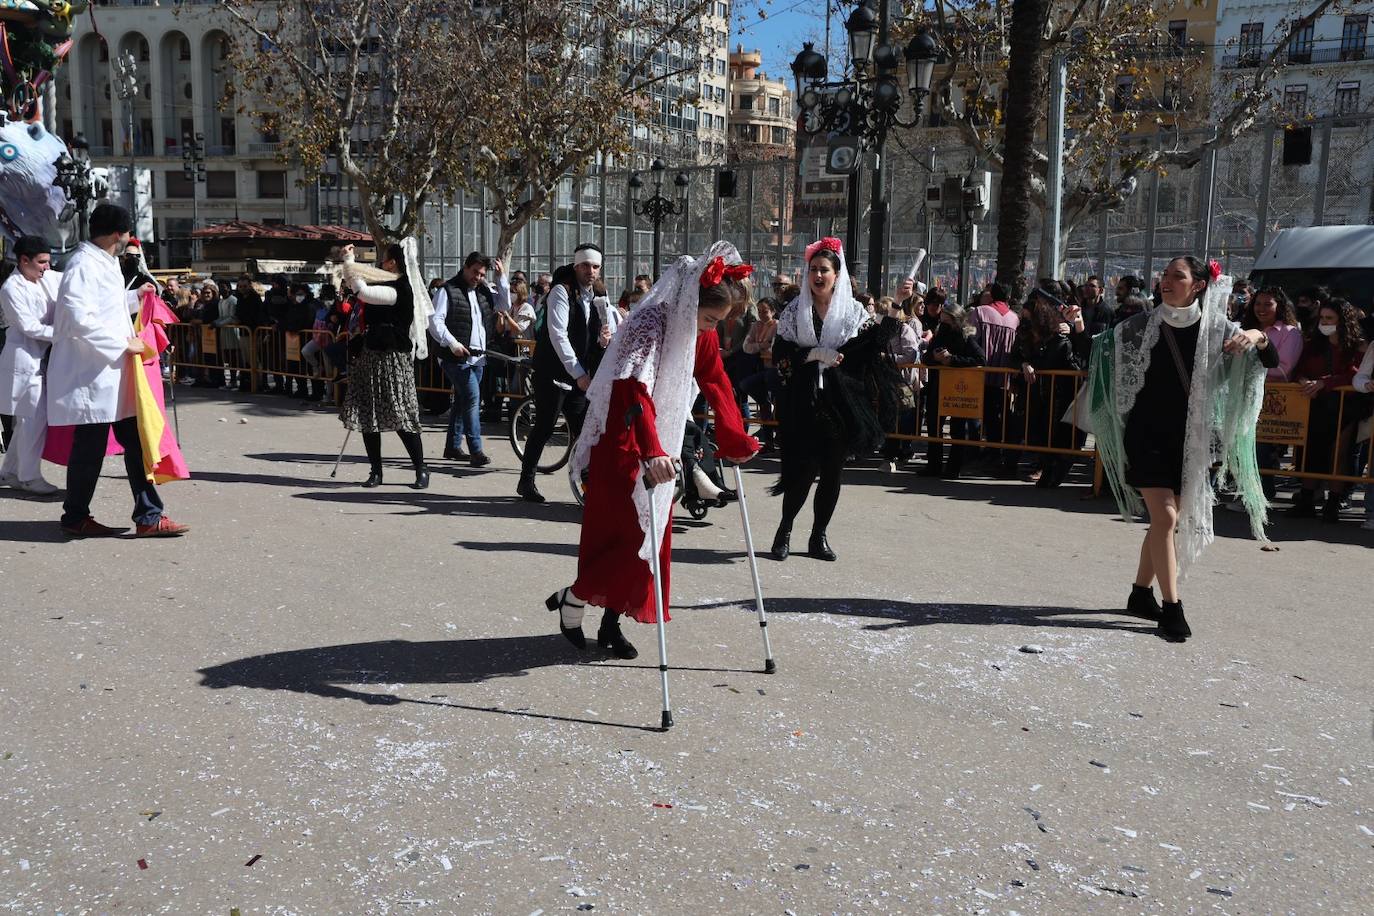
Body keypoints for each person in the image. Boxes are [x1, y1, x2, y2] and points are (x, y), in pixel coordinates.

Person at [546, 243, 759, 659]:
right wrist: (651, 450)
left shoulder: (701, 332)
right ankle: (575, 598)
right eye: (710, 319)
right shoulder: (651, 322)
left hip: (662, 442)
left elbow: (714, 379)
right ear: (692, 302)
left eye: (718, 323)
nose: (710, 329)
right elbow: (631, 389)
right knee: (621, 536)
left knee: (650, 537)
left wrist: (735, 437)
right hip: (626, 441)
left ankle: (610, 623)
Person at [1088, 256, 1277, 642]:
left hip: (1191, 439)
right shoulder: (1136, 327)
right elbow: (1096, 353)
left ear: (1199, 285)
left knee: (1164, 523)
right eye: (1164, 276)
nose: (1166, 282)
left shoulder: (1218, 330)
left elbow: (1268, 360)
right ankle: (1172, 608)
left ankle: (1140, 593)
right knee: (1168, 519)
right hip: (1145, 435)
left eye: (1178, 276)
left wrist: (1256, 336)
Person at [45, 204, 190, 538]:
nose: (128, 239)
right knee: (90, 450)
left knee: (133, 443)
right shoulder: (83, 264)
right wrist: (124, 344)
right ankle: (79, 516)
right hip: (93, 376)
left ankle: (147, 515)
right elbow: (80, 318)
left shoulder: (105, 262)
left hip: (112, 377)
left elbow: (106, 309)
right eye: (127, 233)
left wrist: (135, 298)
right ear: (118, 234)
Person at [768, 237, 903, 561]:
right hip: (803, 401)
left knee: (831, 471)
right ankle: (784, 530)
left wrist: (898, 303)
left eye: (824, 270)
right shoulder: (794, 311)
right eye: (813, 269)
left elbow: (875, 344)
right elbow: (781, 354)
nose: (817, 275)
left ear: (836, 274)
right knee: (802, 469)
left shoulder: (853, 312)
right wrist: (813, 353)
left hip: (839, 405)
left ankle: (818, 537)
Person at [517, 242, 607, 503]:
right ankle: (527, 480)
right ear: (576, 265)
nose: (591, 271)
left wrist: (604, 339)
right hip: (553, 372)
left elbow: (600, 328)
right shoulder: (561, 291)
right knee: (545, 426)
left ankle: (591, 485)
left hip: (579, 376)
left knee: (586, 431)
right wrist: (579, 372)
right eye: (586, 265)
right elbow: (558, 335)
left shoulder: (597, 293)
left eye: (596, 266)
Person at [339, 241, 432, 489]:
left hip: (393, 359)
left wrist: (349, 262)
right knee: (369, 416)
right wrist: (349, 266)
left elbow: (362, 292)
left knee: (401, 415)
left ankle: (421, 468)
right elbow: (355, 286)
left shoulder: (401, 288)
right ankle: (376, 471)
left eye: (384, 259)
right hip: (371, 355)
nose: (380, 263)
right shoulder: (383, 282)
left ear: (393, 262)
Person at [1288, 298, 1366, 522]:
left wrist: (1325, 383)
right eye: (1322, 317)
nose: (1324, 322)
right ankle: (1306, 499)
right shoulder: (1313, 344)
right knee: (1311, 452)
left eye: (1330, 318)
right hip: (1316, 404)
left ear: (1343, 321)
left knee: (1338, 455)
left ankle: (1333, 503)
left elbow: (1357, 374)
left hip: (1346, 407)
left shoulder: (1357, 346)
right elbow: (1299, 370)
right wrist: (1304, 381)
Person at [429, 252, 507, 467]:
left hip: (478, 357)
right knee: (473, 398)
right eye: (475, 272)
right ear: (465, 267)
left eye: (482, 274)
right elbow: (435, 321)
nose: (478, 277)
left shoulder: (483, 290)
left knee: (464, 400)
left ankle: (453, 446)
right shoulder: (447, 290)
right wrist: (452, 344)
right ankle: (476, 450)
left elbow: (503, 305)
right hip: (454, 356)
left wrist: (502, 278)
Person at [0, 236, 60, 494]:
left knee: (27, 419)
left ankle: (11, 471)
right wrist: (65, 333)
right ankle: (28, 476)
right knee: (32, 418)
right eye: (42, 262)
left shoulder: (47, 279)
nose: (47, 267)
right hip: (24, 358)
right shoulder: (11, 288)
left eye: (48, 261)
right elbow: (29, 327)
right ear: (24, 260)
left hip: (43, 357)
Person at [1010, 294, 1081, 487]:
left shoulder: (1058, 338)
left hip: (1056, 396)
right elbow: (1013, 357)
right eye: (1022, 317)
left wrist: (1031, 364)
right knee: (1038, 435)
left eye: (1027, 318)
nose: (1024, 322)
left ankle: (1054, 470)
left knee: (1054, 436)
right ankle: (1046, 468)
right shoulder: (1023, 335)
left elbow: (1049, 362)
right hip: (1034, 394)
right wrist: (1023, 364)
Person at [918, 301, 987, 480]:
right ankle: (934, 465)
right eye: (943, 320)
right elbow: (926, 358)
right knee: (934, 428)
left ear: (956, 320)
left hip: (958, 390)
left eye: (947, 320)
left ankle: (953, 467)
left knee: (957, 429)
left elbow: (980, 359)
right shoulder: (941, 334)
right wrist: (935, 357)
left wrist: (953, 360)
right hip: (937, 387)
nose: (944, 323)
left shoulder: (966, 337)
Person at [970, 282, 1019, 464]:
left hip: (980, 373)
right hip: (1002, 376)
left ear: (991, 295)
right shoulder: (1014, 318)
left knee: (976, 413)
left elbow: (971, 339)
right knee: (998, 416)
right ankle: (995, 450)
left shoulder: (979, 312)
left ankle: (977, 451)